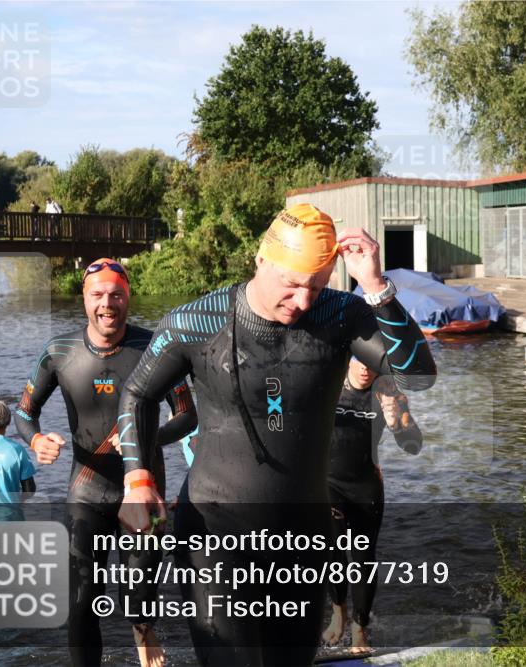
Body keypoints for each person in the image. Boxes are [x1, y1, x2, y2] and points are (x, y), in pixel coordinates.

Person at [117, 203, 437, 666]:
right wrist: (138, 479)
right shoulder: (197, 321)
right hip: (216, 535)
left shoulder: (339, 315)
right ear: (260, 260)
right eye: (292, 283)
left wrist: (375, 287)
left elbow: (418, 376)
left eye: (317, 284)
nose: (304, 300)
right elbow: (137, 396)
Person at [14, 257, 197, 667]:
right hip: (87, 489)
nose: (107, 304)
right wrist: (37, 439)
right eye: (97, 294)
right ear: (84, 298)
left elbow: (188, 414)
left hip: (143, 489)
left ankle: (143, 631)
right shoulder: (58, 352)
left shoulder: (155, 346)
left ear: (128, 296)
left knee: (138, 598)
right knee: (80, 603)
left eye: (116, 294)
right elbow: (24, 411)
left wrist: (147, 437)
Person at [322, 357, 423, 652]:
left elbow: (413, 445)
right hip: (326, 483)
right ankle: (338, 611)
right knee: (333, 550)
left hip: (366, 486)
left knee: (363, 560)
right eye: (357, 359)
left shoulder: (388, 393)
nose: (365, 368)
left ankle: (359, 628)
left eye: (371, 362)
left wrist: (396, 424)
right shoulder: (327, 383)